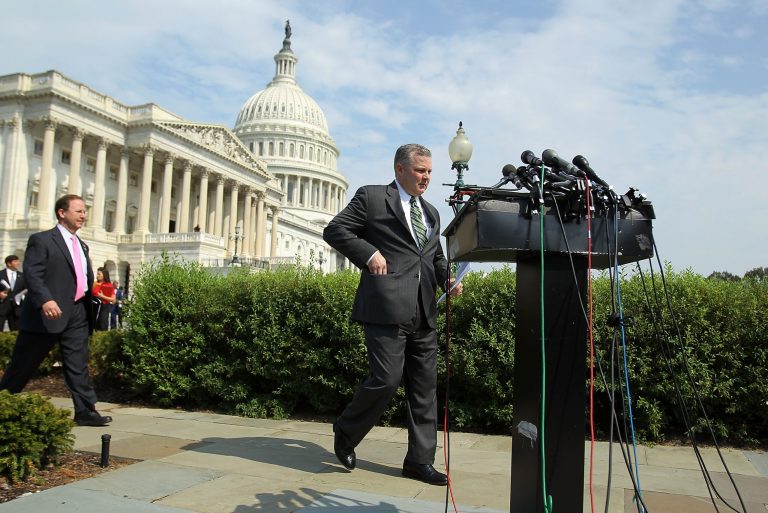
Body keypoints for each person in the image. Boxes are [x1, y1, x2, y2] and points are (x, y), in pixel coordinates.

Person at [323, 143, 462, 486]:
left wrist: (448, 278)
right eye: (420, 170)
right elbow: (335, 230)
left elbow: (433, 257)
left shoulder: (431, 213)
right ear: (400, 169)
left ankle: (419, 462)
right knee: (386, 380)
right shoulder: (372, 198)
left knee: (424, 389)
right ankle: (346, 431)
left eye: (429, 171)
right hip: (384, 308)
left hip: (424, 312)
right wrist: (369, 254)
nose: (426, 177)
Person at [0, 194, 112, 426]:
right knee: (24, 364)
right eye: (79, 211)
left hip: (78, 312)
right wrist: (45, 300)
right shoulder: (42, 240)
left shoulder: (81, 244)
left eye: (84, 211)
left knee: (77, 363)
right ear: (62, 212)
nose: (84, 215)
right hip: (47, 314)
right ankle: (3, 400)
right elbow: (33, 273)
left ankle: (85, 411)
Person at [0, 255, 26, 331]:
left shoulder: (22, 276)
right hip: (2, 307)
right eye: (15, 261)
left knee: (16, 331)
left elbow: (26, 289)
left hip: (16, 308)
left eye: (18, 261)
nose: (18, 263)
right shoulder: (1, 274)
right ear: (9, 263)